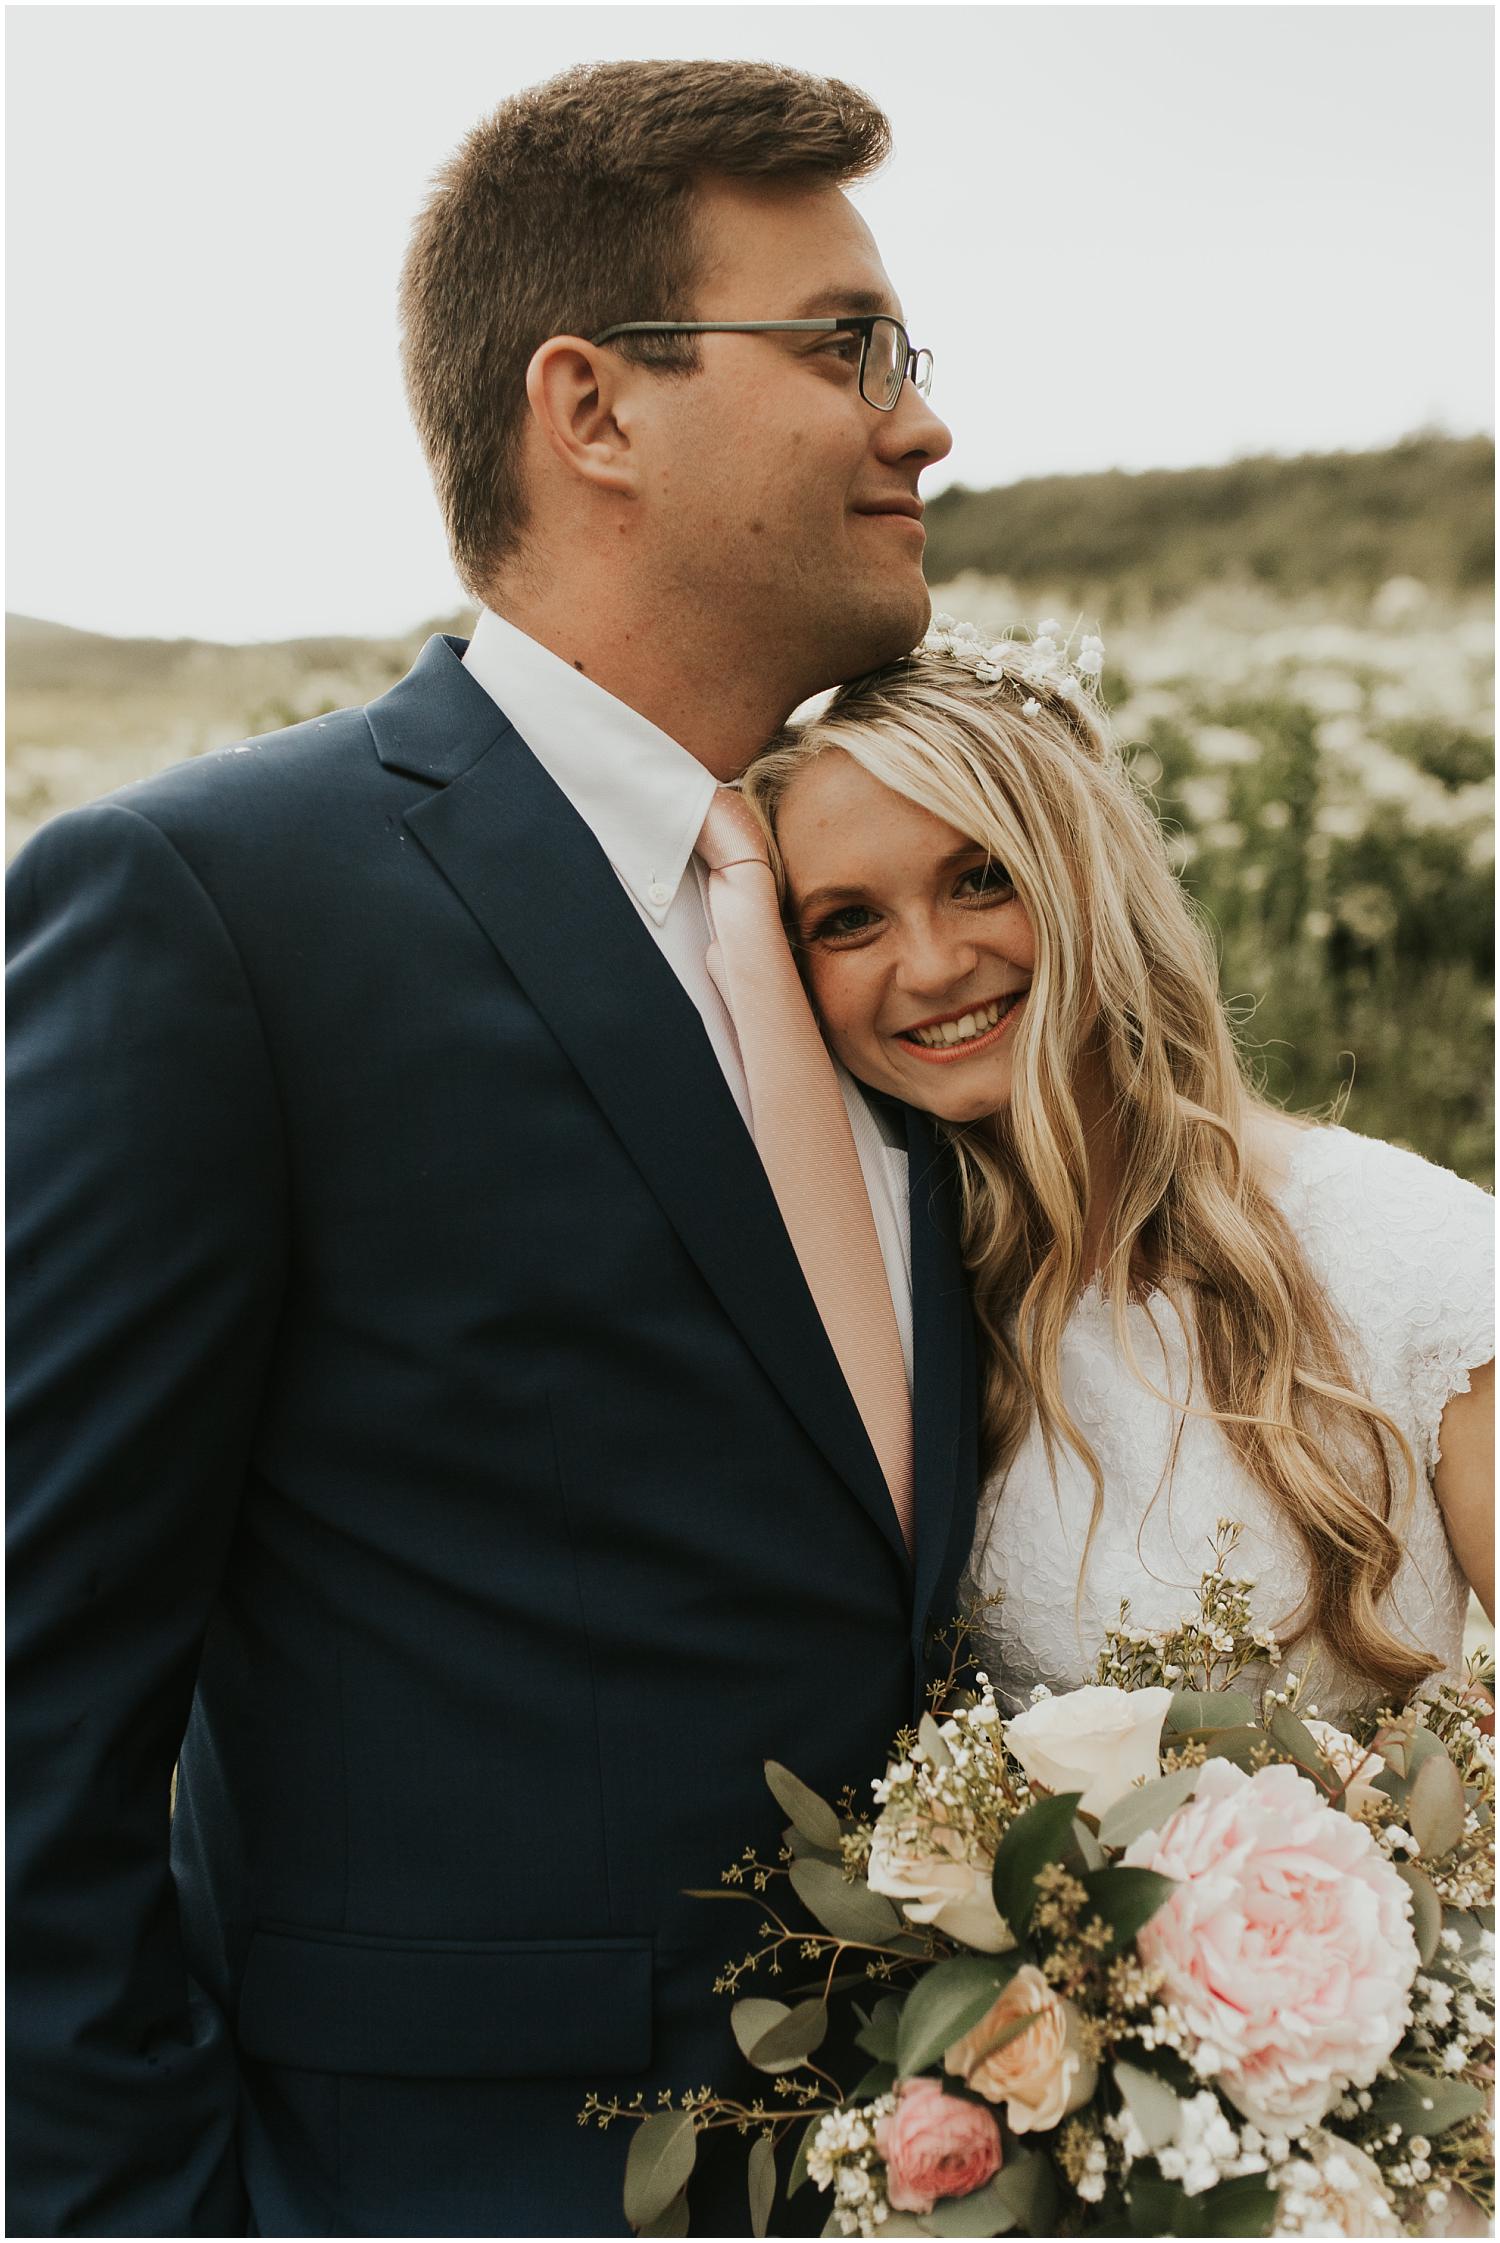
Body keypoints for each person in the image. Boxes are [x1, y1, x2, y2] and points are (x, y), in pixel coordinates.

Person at [6, 62, 974, 2238]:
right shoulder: (220, 909)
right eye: (847, 347)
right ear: (592, 406)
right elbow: (27, 1713)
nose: (919, 423)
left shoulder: (898, 929)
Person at [746, 619, 1494, 1720]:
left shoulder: (1421, 1259)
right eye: (849, 920)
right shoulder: (877, 1297)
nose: (934, 965)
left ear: (1093, 878)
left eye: (982, 879)